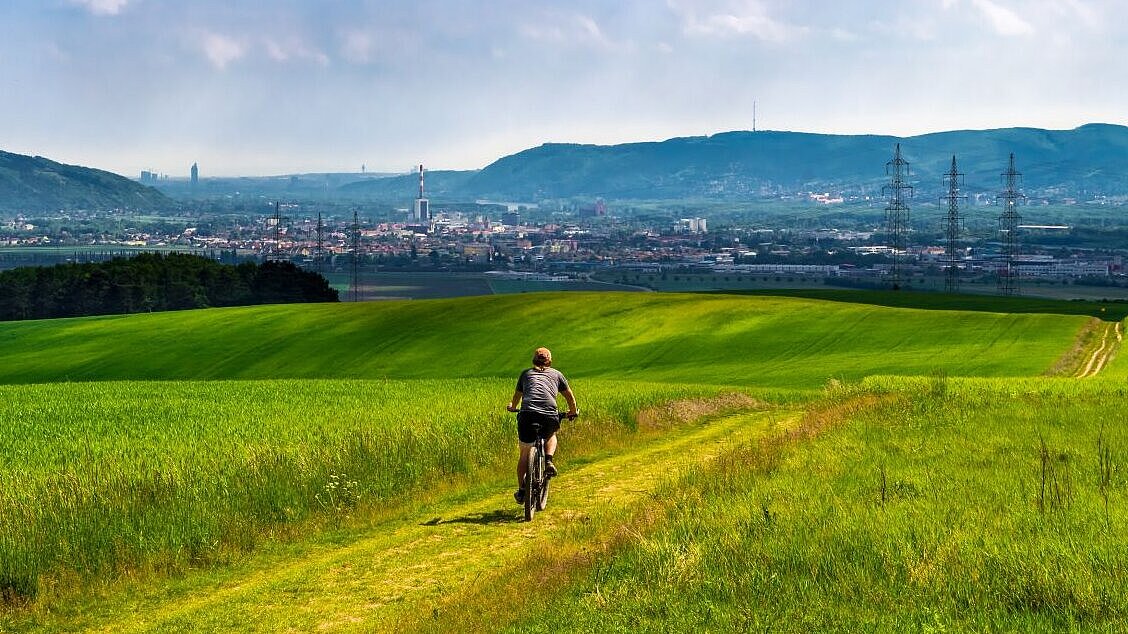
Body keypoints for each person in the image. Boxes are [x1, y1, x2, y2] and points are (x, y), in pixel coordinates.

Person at [506, 346, 578, 505]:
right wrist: (573, 411)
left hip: (526, 415)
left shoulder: (526, 374)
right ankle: (549, 461)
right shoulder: (557, 375)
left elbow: (517, 397)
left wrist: (512, 406)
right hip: (548, 415)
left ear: (534, 360)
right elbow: (569, 397)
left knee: (524, 453)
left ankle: (522, 490)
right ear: (550, 361)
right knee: (551, 435)